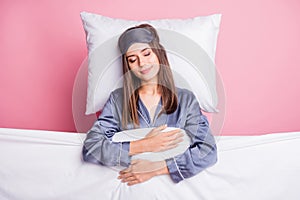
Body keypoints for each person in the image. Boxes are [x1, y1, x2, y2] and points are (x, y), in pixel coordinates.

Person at [82, 24, 217, 186]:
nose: (142, 63)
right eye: (133, 59)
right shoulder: (118, 100)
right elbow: (91, 148)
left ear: (159, 54)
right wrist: (143, 145)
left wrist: (156, 168)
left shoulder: (185, 99)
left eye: (146, 54)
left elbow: (207, 150)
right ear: (128, 66)